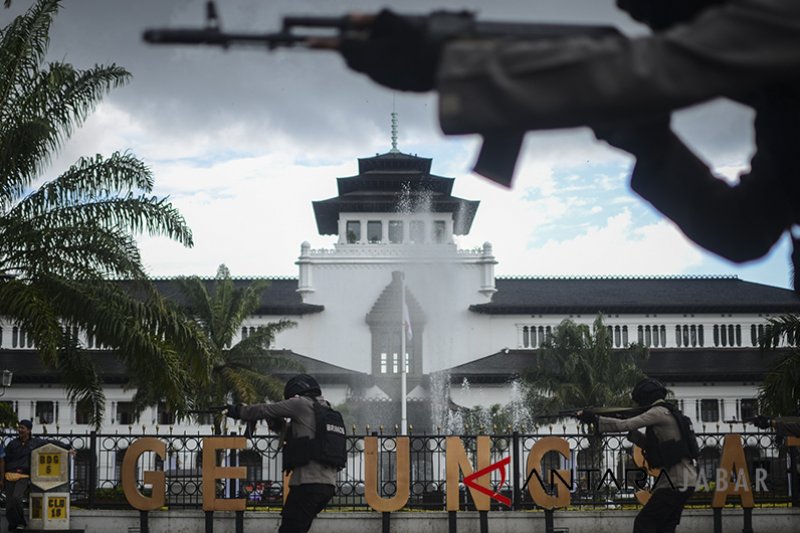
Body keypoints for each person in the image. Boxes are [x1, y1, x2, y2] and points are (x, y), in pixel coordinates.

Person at [336, 1, 800, 287]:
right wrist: (652, 142)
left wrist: (447, 61)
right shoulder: (781, 105)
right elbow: (741, 228)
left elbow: (644, 69)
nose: (637, 13)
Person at [226, 374, 345, 533]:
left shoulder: (301, 404)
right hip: (327, 486)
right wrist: (276, 424)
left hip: (307, 484)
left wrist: (238, 411)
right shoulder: (326, 410)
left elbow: (264, 409)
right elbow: (294, 437)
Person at [578, 379, 698, 533]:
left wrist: (594, 419)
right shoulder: (670, 412)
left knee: (644, 522)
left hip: (675, 483)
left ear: (646, 397)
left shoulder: (657, 412)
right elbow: (652, 446)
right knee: (665, 527)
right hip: (686, 480)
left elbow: (625, 424)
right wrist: (631, 433)